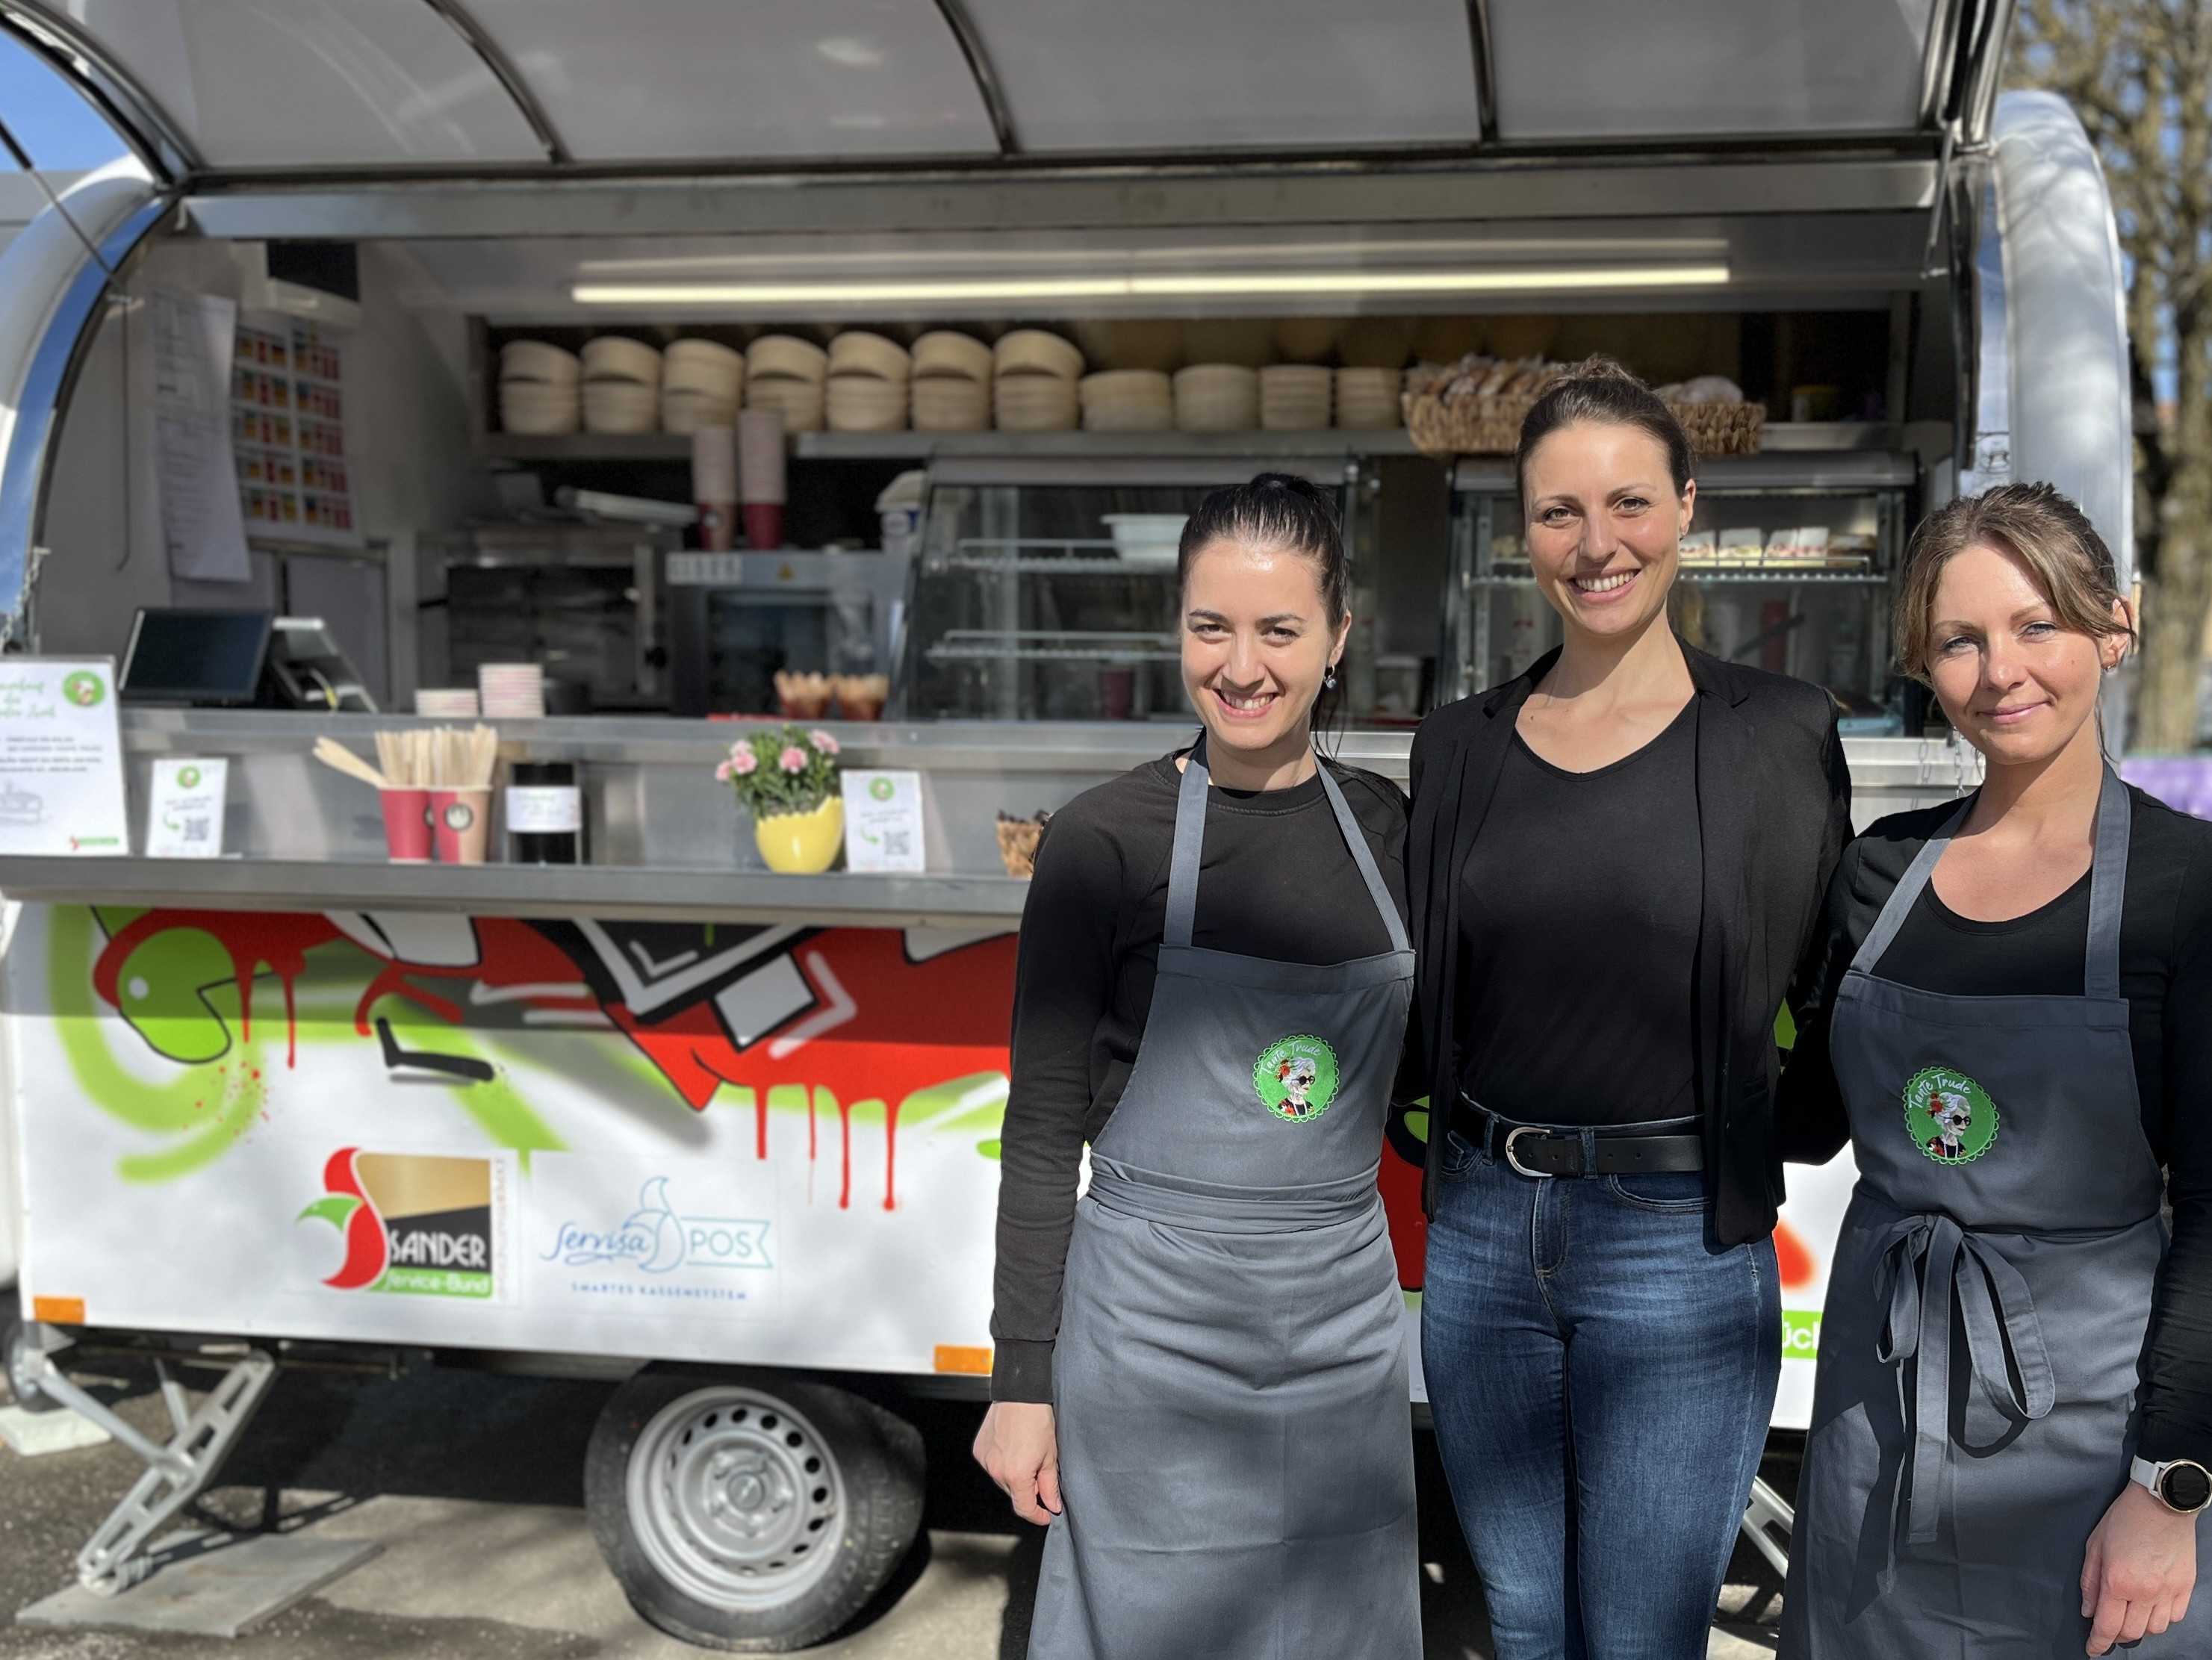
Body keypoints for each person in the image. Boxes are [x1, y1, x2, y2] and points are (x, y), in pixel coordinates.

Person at [1406, 358, 1851, 1659]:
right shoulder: (1460, 743)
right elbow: (1430, 986)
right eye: (1557, 512)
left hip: (1677, 1248)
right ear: (1522, 533)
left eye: (1627, 504)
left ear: (1686, 508)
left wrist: (1768, 1140)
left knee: (1645, 1636)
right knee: (1529, 1626)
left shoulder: (1775, 729)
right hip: (1487, 1234)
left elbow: (1823, 972)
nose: (1594, 545)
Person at [975, 473, 1420, 1657]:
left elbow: (1425, 1080)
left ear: (1337, 640)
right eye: (1209, 627)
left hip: (1337, 1319)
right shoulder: (1099, 841)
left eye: (1278, 630)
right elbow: (1040, 1125)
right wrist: (1022, 1378)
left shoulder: (1391, 831)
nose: (1241, 665)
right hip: (1146, 1324)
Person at [1777, 483, 2212, 1659]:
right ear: (1922, 661)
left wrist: (2170, 1489)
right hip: (1880, 1417)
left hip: (2095, 1446)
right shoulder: (1877, 873)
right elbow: (1804, 1117)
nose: (1999, 670)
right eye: (1959, 639)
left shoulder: (2186, 890)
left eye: (2036, 626)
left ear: (2112, 629)